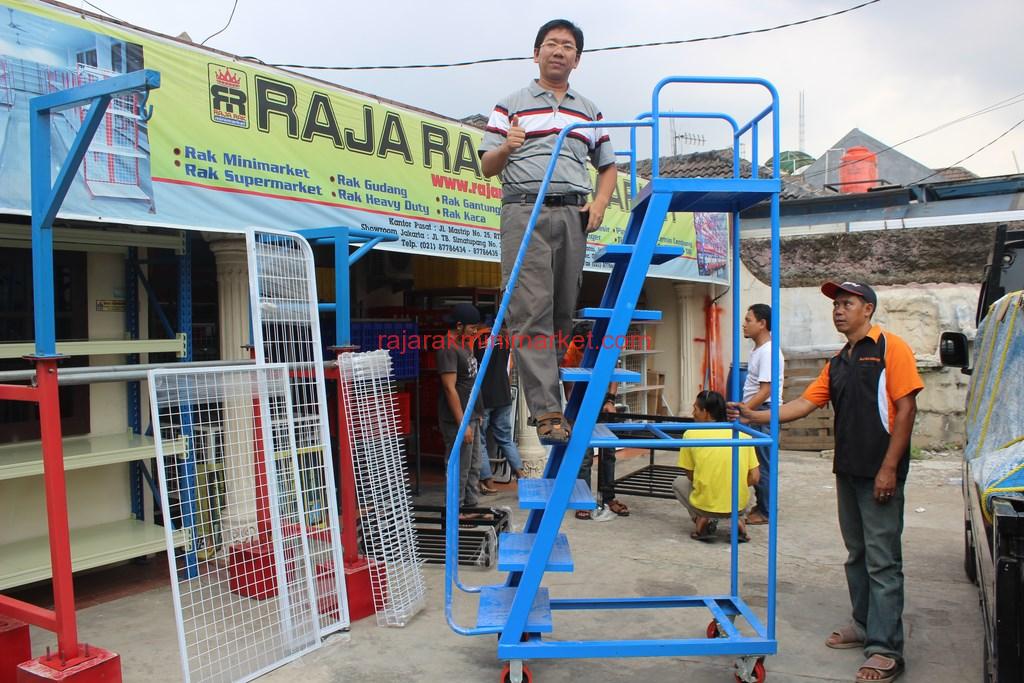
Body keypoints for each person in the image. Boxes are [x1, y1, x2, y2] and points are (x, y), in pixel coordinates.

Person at [729, 281, 923, 683]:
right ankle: (864, 624)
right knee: (857, 554)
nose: (838, 310)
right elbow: (804, 404)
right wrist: (753, 417)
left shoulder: (891, 347)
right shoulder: (839, 360)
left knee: (882, 560)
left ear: (867, 309)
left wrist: (889, 467)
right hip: (847, 469)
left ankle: (886, 649)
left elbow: (906, 410)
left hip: (879, 470)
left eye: (847, 304)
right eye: (836, 304)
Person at [478, 19, 617, 445]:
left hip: (572, 213)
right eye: (551, 44)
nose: (559, 51)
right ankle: (548, 412)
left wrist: (598, 204)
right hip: (525, 209)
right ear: (536, 53)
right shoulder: (510, 105)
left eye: (568, 46)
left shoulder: (589, 109)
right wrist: (507, 146)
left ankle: (551, 404)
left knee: (561, 310)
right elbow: (486, 165)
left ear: (577, 59)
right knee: (531, 307)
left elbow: (607, 166)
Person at [562, 325, 630, 521]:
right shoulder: (569, 355)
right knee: (584, 455)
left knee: (608, 453)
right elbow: (569, 391)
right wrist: (577, 413)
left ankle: (609, 497)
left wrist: (610, 400)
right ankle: (583, 500)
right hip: (581, 402)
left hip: (602, 400)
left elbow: (614, 372)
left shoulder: (605, 348)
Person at [672, 390, 759, 542]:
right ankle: (739, 519)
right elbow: (755, 477)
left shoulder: (691, 434)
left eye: (695, 409)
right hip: (736, 505)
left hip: (705, 504)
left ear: (705, 412)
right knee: (748, 486)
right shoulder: (743, 435)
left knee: (678, 482)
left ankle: (702, 518)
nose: (693, 413)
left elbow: (690, 475)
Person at [437, 303, 485, 516]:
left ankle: (470, 506)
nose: (475, 331)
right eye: (472, 327)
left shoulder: (463, 345)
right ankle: (455, 511)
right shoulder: (447, 348)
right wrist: (462, 422)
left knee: (474, 465)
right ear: (459, 325)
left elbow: (471, 381)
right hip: (458, 418)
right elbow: (449, 388)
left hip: (471, 414)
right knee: (460, 467)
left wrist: (478, 412)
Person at [740, 303, 784, 526]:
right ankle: (762, 504)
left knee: (762, 465)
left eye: (748, 320)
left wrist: (746, 413)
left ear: (762, 323)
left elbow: (766, 390)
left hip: (762, 412)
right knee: (756, 462)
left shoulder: (768, 351)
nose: (744, 324)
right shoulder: (758, 349)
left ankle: (766, 512)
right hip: (757, 410)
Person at [474, 325, 524, 494]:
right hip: (503, 395)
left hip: (483, 398)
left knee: (479, 441)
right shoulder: (506, 342)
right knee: (505, 438)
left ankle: (488, 482)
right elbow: (509, 370)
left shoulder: (476, 340)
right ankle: (521, 475)